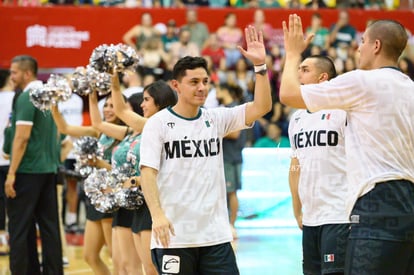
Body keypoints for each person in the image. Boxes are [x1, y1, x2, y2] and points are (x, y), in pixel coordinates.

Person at [281, 14, 414, 273]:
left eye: (362, 41)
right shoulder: (410, 87)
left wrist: (292, 53)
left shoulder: (362, 81)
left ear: (376, 46)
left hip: (375, 203)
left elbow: (288, 94)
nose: (358, 47)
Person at [139, 25, 272, 274]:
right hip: (174, 237)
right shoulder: (157, 124)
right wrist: (157, 215)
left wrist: (260, 68)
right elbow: (148, 173)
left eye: (205, 82)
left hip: (215, 237)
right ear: (176, 85)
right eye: (194, 82)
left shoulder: (216, 118)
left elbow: (262, 106)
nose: (201, 87)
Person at [287, 55, 349, 274]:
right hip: (311, 218)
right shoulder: (296, 118)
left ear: (322, 78)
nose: (298, 74)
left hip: (339, 214)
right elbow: (295, 166)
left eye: (305, 70)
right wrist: (297, 209)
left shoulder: (343, 113)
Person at [111, 76, 177, 275]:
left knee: (158, 268)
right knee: (148, 269)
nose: (142, 104)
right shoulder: (147, 126)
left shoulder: (167, 127)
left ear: (160, 101)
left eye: (147, 99)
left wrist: (133, 180)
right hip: (141, 203)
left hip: (159, 204)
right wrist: (114, 80)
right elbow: (121, 110)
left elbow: (166, 170)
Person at [51, 93, 121, 275]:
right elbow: (64, 127)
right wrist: (54, 106)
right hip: (96, 198)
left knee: (116, 256)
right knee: (90, 255)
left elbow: (122, 170)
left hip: (112, 198)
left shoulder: (125, 134)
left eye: (113, 106)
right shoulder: (99, 132)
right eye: (106, 105)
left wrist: (98, 163)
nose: (108, 109)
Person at [6, 55, 63, 274]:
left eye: (14, 72)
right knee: (50, 229)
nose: (11, 77)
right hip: (49, 170)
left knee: (19, 228)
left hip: (28, 171)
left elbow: (21, 138)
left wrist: (11, 174)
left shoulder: (27, 96)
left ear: (27, 73)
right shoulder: (47, 96)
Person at [215, 83, 247, 240]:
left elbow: (235, 133)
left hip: (231, 157)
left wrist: (214, 130)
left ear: (225, 91)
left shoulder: (232, 108)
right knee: (226, 192)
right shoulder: (225, 107)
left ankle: (232, 225)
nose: (215, 93)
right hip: (226, 156)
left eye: (218, 89)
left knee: (231, 192)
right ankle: (227, 225)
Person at [0, 69, 14, 256]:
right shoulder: (15, 98)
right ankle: (12, 240)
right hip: (11, 158)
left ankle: (2, 240)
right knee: (13, 201)